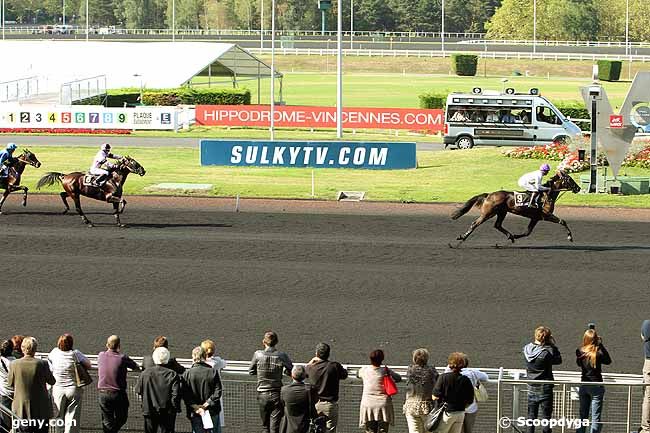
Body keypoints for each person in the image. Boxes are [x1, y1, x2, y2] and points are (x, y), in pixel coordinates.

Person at [7, 337, 56, 433]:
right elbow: (52, 381)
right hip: (41, 408)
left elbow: (10, 383)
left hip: (21, 408)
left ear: (22, 348)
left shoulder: (14, 364)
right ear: (35, 349)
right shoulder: (42, 363)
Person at [249, 331, 293, 433]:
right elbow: (291, 370)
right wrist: (284, 371)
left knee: (265, 427)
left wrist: (260, 371)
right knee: (275, 428)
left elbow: (251, 371)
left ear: (263, 342)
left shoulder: (258, 354)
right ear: (276, 342)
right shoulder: (281, 355)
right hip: (277, 394)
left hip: (262, 395)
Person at [48, 334, 92, 433]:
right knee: (72, 417)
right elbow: (88, 365)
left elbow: (49, 362)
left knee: (59, 416)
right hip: (73, 389)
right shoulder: (75, 353)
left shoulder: (54, 352)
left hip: (58, 389)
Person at [97, 335, 141, 433]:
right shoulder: (122, 358)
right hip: (118, 394)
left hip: (103, 393)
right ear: (119, 346)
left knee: (107, 421)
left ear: (107, 345)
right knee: (122, 418)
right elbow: (135, 367)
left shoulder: (101, 355)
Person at [523, 326, 562, 433]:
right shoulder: (546, 352)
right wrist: (552, 345)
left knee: (531, 416)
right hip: (545, 387)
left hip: (531, 386)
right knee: (546, 418)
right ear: (547, 338)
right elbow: (558, 360)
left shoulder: (526, 349)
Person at [135, 347, 182, 433]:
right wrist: (173, 409)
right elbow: (175, 394)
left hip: (149, 410)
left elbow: (139, 391)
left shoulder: (145, 373)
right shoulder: (173, 374)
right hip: (167, 412)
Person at [306, 342, 348, 433]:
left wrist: (311, 362)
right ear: (328, 354)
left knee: (314, 429)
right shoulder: (334, 366)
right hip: (330, 405)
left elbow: (304, 372)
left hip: (315, 405)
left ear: (316, 353)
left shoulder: (311, 368)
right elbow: (344, 375)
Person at [576, 328, 611, 433]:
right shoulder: (598, 353)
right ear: (595, 339)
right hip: (596, 386)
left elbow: (578, 364)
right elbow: (608, 361)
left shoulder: (579, 352)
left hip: (584, 385)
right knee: (596, 417)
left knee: (583, 416)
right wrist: (600, 345)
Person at [357, 349, 402, 433]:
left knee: (370, 430)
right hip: (383, 405)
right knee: (383, 431)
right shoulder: (385, 370)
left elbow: (357, 374)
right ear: (382, 359)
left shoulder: (364, 370)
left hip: (368, 404)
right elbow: (398, 378)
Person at [182, 346, 223, 433]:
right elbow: (218, 392)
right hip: (212, 410)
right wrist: (206, 404)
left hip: (195, 412)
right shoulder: (212, 372)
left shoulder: (187, 374)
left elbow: (185, 394)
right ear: (205, 357)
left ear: (193, 357)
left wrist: (195, 406)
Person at [432, 352, 475, 433]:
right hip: (460, 413)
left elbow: (435, 396)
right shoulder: (466, 379)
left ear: (450, 364)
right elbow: (470, 400)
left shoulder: (443, 377)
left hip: (447, 413)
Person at [403, 348, 438, 433]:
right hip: (427, 406)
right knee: (429, 430)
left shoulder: (410, 370)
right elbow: (437, 381)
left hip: (411, 406)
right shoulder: (431, 370)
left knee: (414, 431)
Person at [455, 354, 488, 433]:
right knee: (469, 430)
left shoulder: (449, 374)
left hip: (456, 408)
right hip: (471, 408)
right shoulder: (473, 372)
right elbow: (486, 377)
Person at [280, 365, 318, 433]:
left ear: (292, 375)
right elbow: (315, 401)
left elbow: (282, 404)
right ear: (304, 376)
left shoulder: (284, 390)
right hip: (305, 428)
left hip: (289, 429)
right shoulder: (310, 390)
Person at [201, 340, 227, 432]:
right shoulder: (217, 362)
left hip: (202, 394)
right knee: (216, 424)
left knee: (203, 424)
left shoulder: (199, 363)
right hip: (215, 395)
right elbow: (224, 363)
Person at [0, 340, 15, 433]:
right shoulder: (15, 362)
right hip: (15, 392)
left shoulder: (1, 360)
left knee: (5, 418)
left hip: (4, 391)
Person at [640, 320, 650, 433]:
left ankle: (646, 429)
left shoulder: (647, 324)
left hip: (649, 363)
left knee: (648, 396)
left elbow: (643, 336)